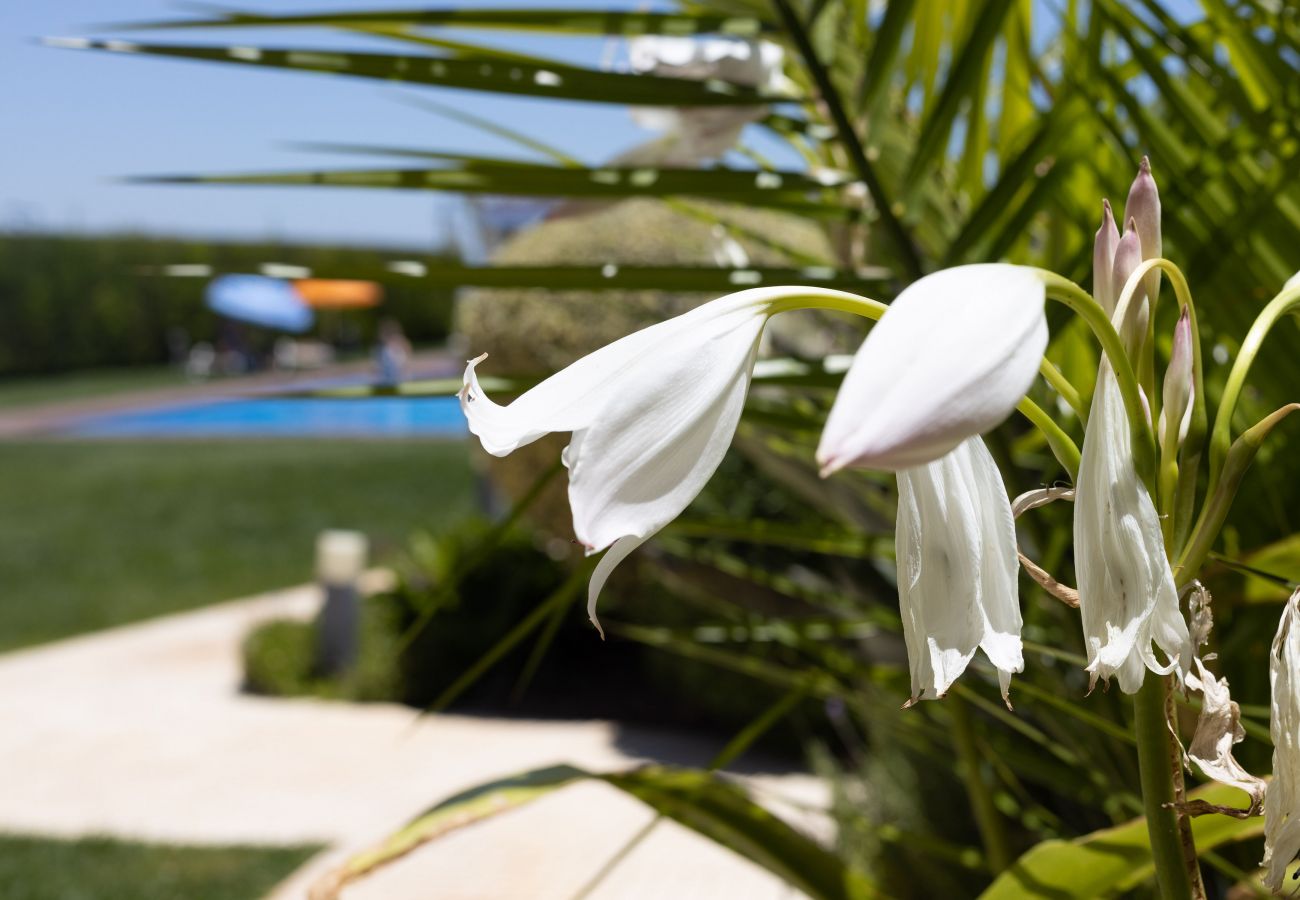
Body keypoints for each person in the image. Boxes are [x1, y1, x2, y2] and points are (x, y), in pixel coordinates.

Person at [374, 318, 412, 385]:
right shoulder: (383, 347)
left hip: (397, 374)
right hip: (391, 375)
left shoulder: (399, 341)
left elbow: (407, 353)